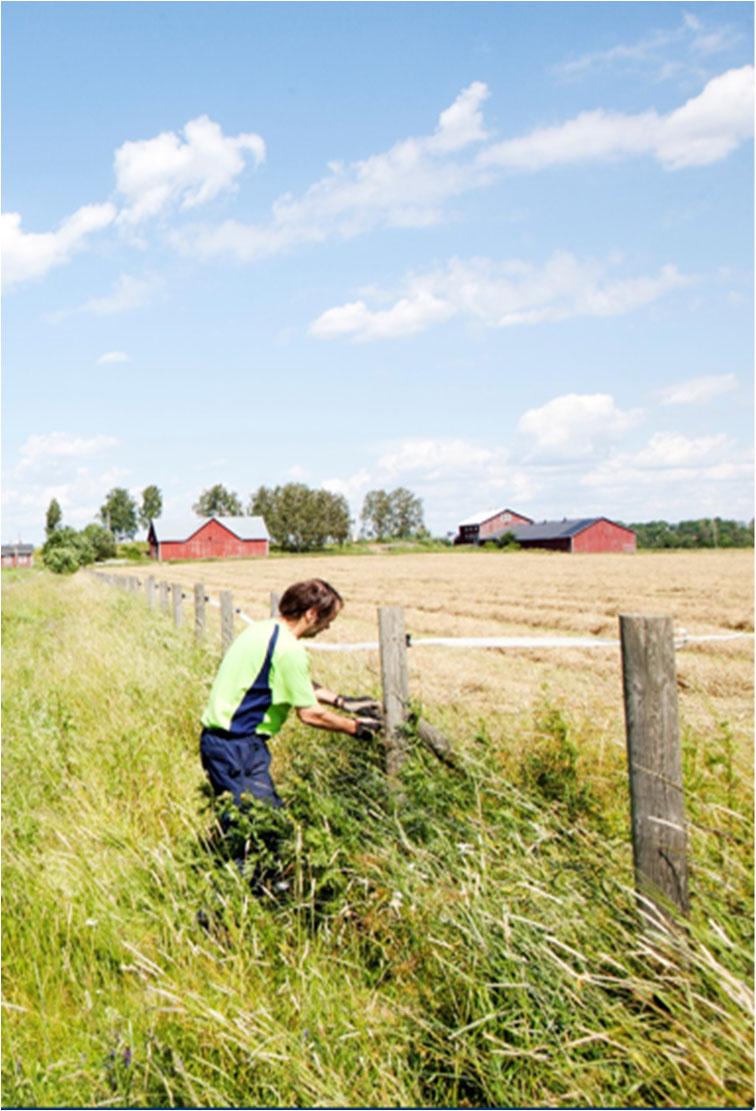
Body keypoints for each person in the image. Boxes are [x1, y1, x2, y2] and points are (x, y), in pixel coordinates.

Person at [199, 577, 382, 811]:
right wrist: (356, 728)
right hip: (238, 746)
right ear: (312, 613)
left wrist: (341, 701)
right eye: (328, 620)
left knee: (244, 820)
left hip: (221, 742)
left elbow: (287, 680)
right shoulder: (290, 650)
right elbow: (310, 714)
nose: (328, 627)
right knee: (262, 825)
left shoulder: (261, 630)